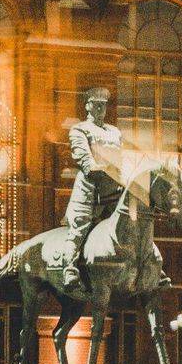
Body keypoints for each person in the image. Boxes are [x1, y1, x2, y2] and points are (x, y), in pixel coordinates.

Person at [61, 87, 125, 292]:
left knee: (130, 223)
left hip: (113, 190)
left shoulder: (115, 132)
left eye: (103, 105)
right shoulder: (79, 130)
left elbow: (121, 159)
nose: (100, 109)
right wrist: (105, 168)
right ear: (87, 106)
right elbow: (86, 162)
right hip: (89, 190)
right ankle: (69, 269)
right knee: (79, 228)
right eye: (96, 105)